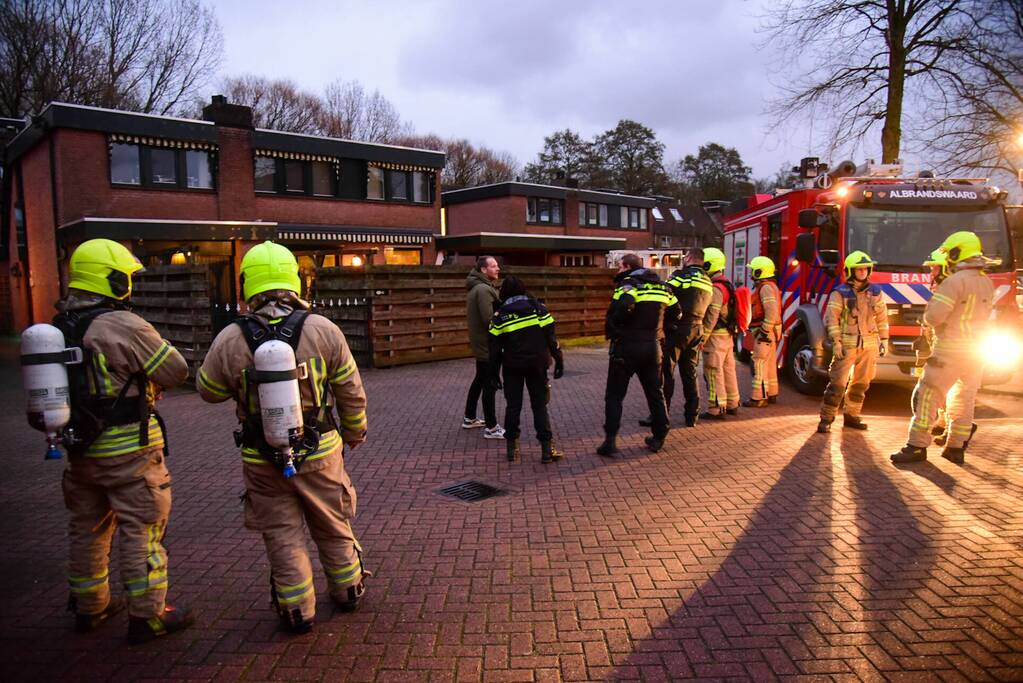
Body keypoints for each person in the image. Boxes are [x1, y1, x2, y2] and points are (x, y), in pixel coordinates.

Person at [198, 241, 368, 634]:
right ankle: (348, 591)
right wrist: (355, 431)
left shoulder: (230, 337)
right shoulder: (324, 330)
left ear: (247, 285)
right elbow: (350, 391)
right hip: (322, 450)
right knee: (332, 521)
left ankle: (297, 611)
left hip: (262, 457)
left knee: (282, 533)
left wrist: (241, 382)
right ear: (296, 280)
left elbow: (207, 390)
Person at [50, 239, 192, 644]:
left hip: (79, 452)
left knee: (87, 528)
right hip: (130, 451)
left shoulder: (55, 329)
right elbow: (176, 370)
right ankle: (148, 616)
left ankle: (89, 606)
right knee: (141, 530)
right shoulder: (123, 325)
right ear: (110, 279)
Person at [892, 231, 994, 464]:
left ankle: (916, 446)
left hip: (950, 350)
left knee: (928, 394)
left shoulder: (954, 282)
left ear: (957, 252)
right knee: (963, 398)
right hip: (976, 351)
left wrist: (926, 318)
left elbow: (934, 317)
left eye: (949, 253)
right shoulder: (985, 281)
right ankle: (955, 448)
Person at [598, 253, 680, 456]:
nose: (618, 271)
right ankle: (659, 436)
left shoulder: (629, 284)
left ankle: (610, 442)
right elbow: (677, 312)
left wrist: (616, 328)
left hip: (626, 347)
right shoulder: (664, 287)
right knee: (655, 393)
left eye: (619, 267)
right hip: (653, 347)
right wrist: (663, 330)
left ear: (627, 267)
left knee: (615, 395)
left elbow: (624, 306)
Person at [488, 276, 565, 464]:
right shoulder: (538, 308)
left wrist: (493, 373)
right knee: (539, 406)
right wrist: (559, 360)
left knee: (513, 406)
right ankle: (547, 449)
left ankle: (511, 449)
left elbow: (494, 349)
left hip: (512, 366)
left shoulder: (500, 315)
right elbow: (551, 338)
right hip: (537, 365)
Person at [816, 251, 889, 433]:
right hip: (846, 346)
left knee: (861, 384)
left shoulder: (876, 292)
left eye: (865, 268)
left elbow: (882, 318)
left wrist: (885, 340)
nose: (863, 272)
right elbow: (831, 319)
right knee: (837, 384)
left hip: (869, 345)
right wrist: (837, 342)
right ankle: (826, 418)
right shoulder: (840, 293)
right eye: (859, 269)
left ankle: (852, 416)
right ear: (850, 271)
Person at [644, 247, 713, 428]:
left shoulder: (681, 276)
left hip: (678, 329)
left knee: (666, 371)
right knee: (690, 373)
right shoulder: (708, 280)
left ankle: (660, 414)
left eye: (685, 257)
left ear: (689, 258)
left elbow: (665, 294)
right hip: (697, 329)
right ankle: (692, 416)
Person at [463, 255, 504, 439]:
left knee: (479, 380)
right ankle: (492, 427)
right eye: (494, 266)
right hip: (487, 345)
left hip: (480, 343)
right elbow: (489, 319)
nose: (498, 269)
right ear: (483, 270)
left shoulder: (477, 288)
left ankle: (469, 417)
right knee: (489, 384)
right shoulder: (483, 290)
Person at [699, 247, 741, 420]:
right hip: (726, 336)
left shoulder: (716, 288)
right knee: (728, 370)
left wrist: (703, 337)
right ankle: (732, 403)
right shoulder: (726, 284)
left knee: (712, 371)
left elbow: (712, 316)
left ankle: (716, 408)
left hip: (715, 337)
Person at [744, 256, 782, 408]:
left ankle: (758, 397)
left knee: (759, 363)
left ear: (760, 272)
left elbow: (771, 312)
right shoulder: (771, 286)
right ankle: (772, 393)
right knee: (770, 364)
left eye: (753, 270)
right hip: (771, 331)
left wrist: (764, 331)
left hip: (765, 331)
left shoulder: (765, 288)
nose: (751, 273)